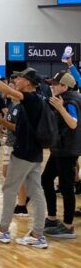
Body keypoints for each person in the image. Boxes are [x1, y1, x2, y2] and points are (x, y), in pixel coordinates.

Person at [0, 64, 49, 249]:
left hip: (24, 153)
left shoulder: (30, 98)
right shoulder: (38, 99)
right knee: (36, 192)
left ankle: (3, 229)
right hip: (35, 153)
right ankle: (38, 234)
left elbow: (4, 88)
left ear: (29, 83)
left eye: (20, 78)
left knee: (9, 189)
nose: (15, 81)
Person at [42, 71, 79, 239]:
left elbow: (72, 123)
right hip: (60, 148)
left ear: (65, 86)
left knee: (66, 187)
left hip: (67, 150)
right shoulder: (66, 98)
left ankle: (68, 225)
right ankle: (52, 218)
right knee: (46, 179)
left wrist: (60, 108)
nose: (52, 86)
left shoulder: (70, 100)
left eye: (55, 84)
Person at [0, 76, 30, 217]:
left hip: (17, 144)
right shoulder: (12, 105)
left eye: (12, 88)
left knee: (16, 176)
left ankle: (22, 204)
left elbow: (18, 127)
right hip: (9, 142)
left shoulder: (20, 107)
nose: (9, 90)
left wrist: (2, 122)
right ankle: (23, 197)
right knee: (7, 173)